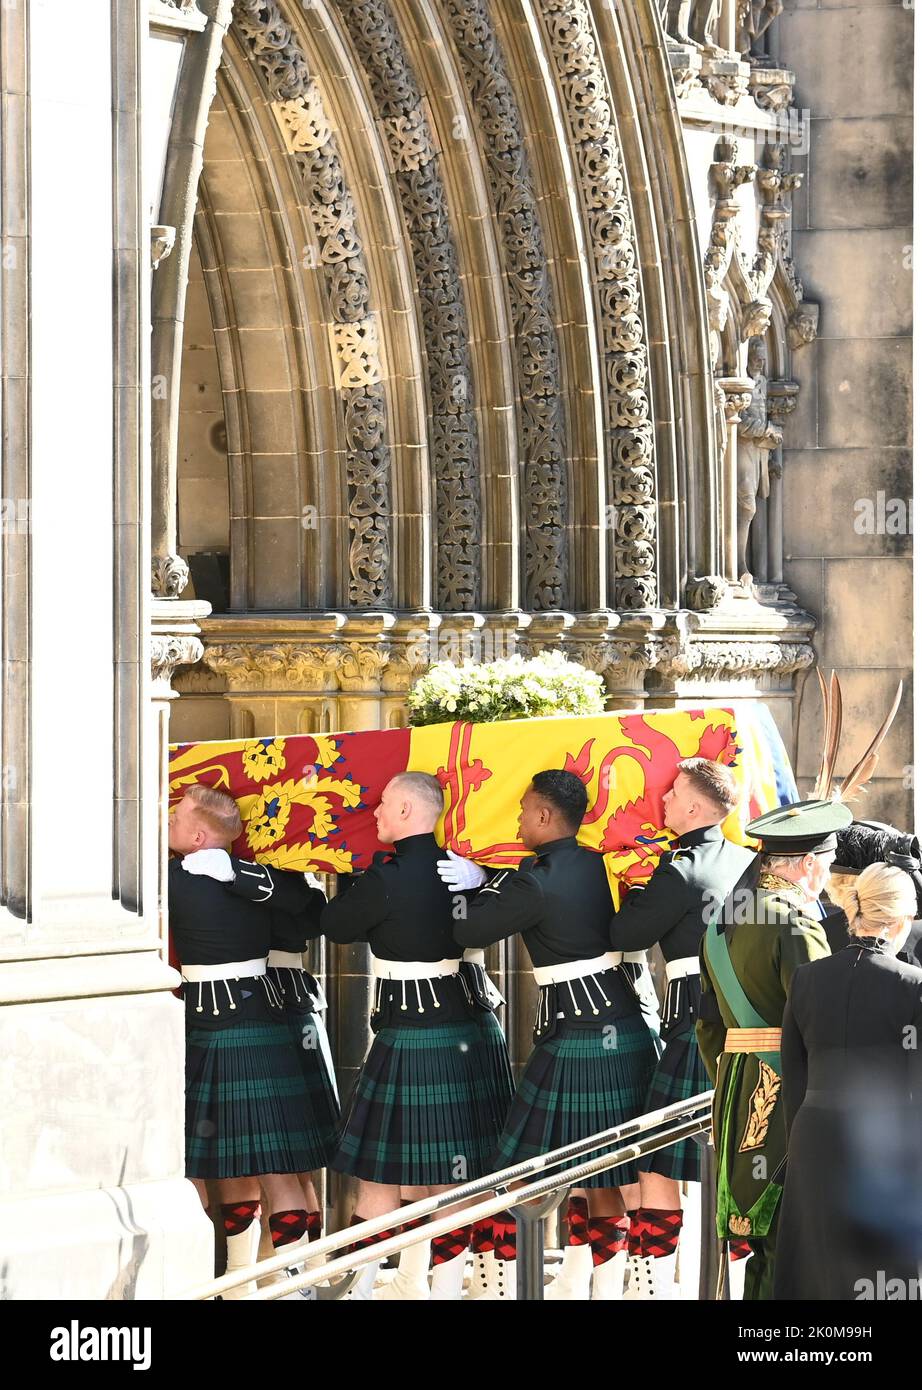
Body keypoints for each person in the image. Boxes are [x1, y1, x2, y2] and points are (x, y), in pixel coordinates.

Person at [442, 769, 659, 1301]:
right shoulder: (600, 863)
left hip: (578, 1036)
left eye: (522, 810)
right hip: (625, 1025)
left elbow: (466, 930)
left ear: (544, 815)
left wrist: (476, 884)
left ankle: (499, 1285)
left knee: (516, 1169)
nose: (517, 819)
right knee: (604, 1167)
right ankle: (604, 1289)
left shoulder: (531, 880)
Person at [318, 771, 500, 1302]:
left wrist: (356, 875)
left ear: (405, 812)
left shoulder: (385, 878)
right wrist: (485, 876)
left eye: (381, 806)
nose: (373, 814)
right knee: (450, 1173)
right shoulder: (466, 872)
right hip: (465, 1027)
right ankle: (438, 1290)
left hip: (407, 1033)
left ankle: (358, 1290)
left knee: (378, 1173)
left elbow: (335, 925)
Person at [168, 786, 336, 1298]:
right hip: (263, 1017)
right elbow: (309, 911)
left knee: (229, 1162)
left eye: (173, 816)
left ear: (198, 835)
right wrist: (245, 876)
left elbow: (314, 915)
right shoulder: (255, 881)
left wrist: (238, 874)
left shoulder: (166, 879)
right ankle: (271, 1283)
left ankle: (257, 1284)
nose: (165, 821)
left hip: (210, 1022)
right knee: (271, 1162)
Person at [610, 757, 755, 1301]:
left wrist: (631, 882)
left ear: (695, 808)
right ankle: (728, 1285)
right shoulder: (748, 861)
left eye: (672, 794)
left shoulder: (680, 868)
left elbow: (625, 932)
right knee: (731, 1160)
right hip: (745, 1022)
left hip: (693, 1021)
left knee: (658, 1158)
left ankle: (650, 1287)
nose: (663, 801)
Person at [696, 797, 852, 1301]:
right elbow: (823, 1023)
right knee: (794, 1235)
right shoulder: (795, 924)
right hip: (790, 1092)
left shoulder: (721, 923)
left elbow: (707, 1027)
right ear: (807, 864)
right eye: (826, 866)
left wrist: (732, 1080)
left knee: (761, 1236)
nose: (827, 877)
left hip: (739, 1089)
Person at [775, 862, 922, 1300]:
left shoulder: (807, 978)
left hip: (812, 1134)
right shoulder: (913, 985)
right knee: (882, 1273)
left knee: (813, 1269)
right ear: (898, 921)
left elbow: (792, 1075)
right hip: (884, 1142)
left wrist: (794, 1148)